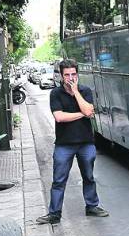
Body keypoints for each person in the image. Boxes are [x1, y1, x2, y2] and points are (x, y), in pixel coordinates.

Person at [37, 59, 108, 224]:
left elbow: (90, 111)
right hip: (64, 144)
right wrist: (83, 113)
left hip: (86, 142)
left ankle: (92, 206)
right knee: (59, 180)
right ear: (61, 76)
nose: (70, 78)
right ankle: (54, 213)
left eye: (74, 74)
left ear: (78, 74)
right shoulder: (55, 93)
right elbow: (59, 117)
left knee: (89, 176)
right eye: (67, 75)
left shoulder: (85, 90)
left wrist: (76, 92)